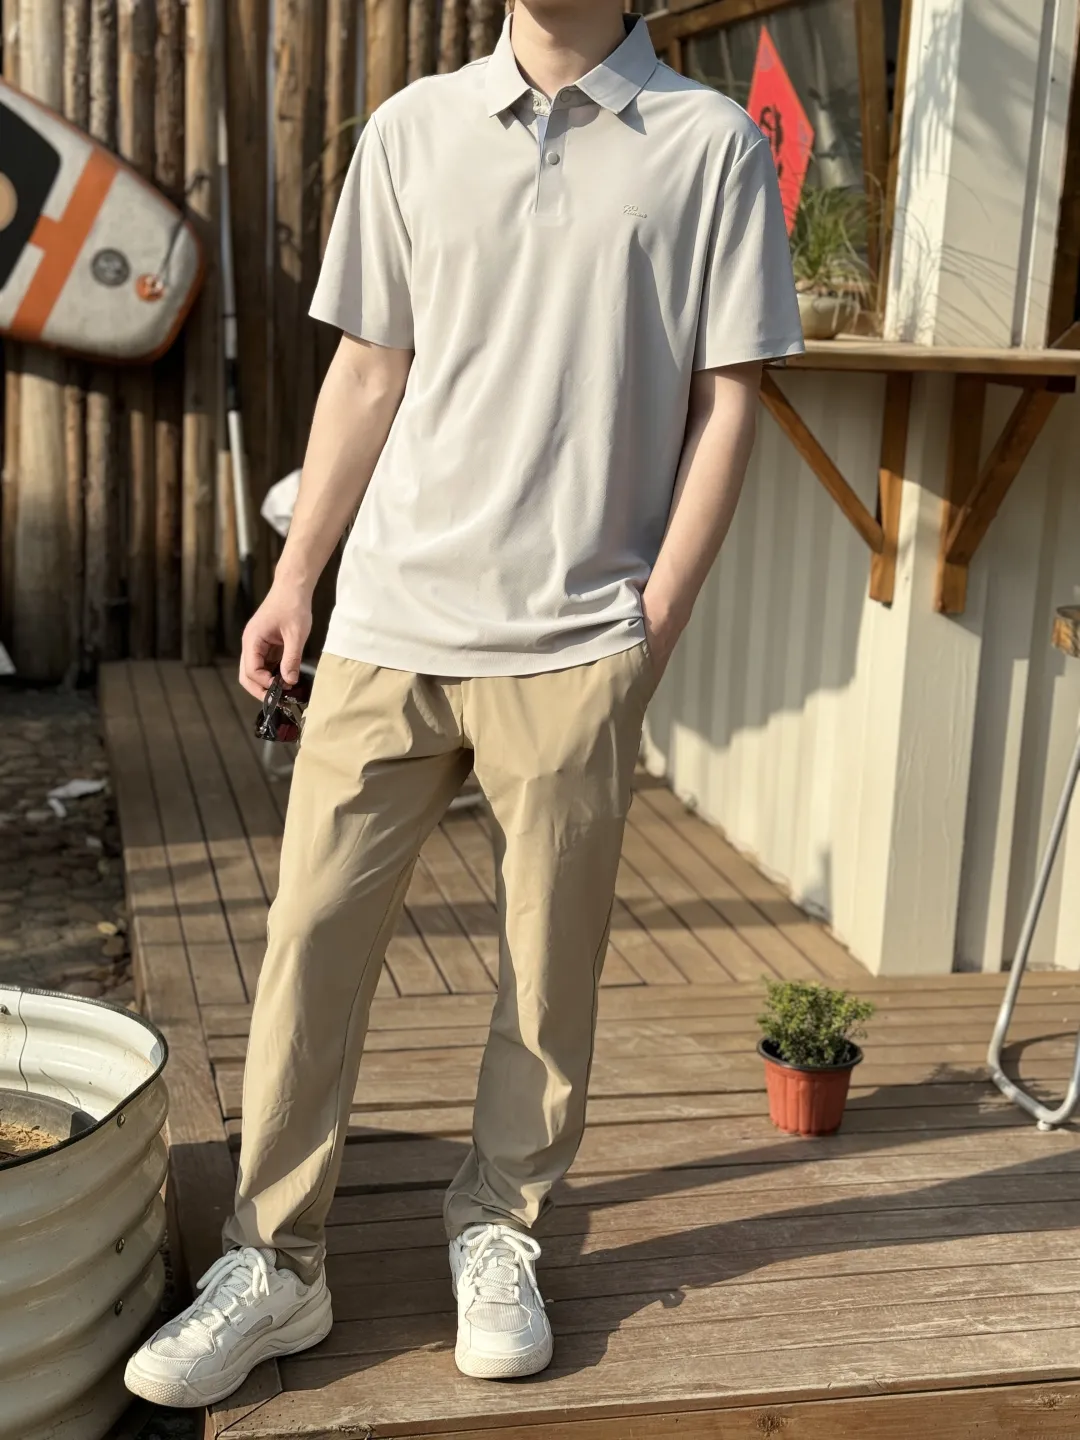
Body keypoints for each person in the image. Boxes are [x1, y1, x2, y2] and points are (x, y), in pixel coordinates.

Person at [125, 0, 802, 1408]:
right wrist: (295, 578)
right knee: (310, 941)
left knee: (548, 970)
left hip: (576, 638)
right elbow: (369, 371)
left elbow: (727, 400)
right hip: (388, 624)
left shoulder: (711, 146)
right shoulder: (412, 130)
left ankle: (500, 1226)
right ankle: (277, 1261)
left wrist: (650, 629)